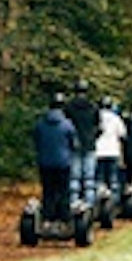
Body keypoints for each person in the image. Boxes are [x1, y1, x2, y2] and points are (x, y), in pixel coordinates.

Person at [33, 92, 76, 223]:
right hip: (63, 163)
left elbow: (36, 141)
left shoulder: (40, 124)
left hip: (45, 162)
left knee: (48, 191)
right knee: (64, 191)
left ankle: (48, 217)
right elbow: (74, 143)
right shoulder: (67, 124)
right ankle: (64, 218)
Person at [64, 79, 100, 210]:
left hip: (74, 146)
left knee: (74, 178)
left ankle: (73, 203)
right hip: (89, 144)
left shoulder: (68, 107)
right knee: (89, 179)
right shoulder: (93, 107)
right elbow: (99, 127)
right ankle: (90, 205)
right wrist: (93, 137)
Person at [94, 96, 127, 206]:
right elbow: (123, 134)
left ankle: (98, 203)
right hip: (113, 151)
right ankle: (114, 204)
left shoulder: (97, 117)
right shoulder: (116, 118)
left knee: (99, 179)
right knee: (113, 179)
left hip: (98, 152)